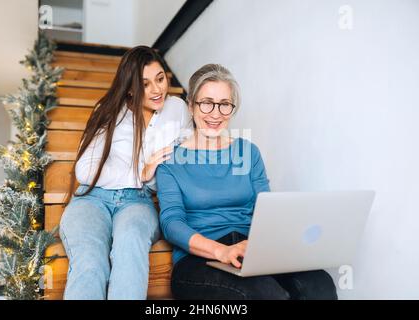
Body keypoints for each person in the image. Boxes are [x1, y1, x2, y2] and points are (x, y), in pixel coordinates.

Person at [156, 64, 338, 300]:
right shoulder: (170, 162)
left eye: (224, 104)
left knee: (319, 285)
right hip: (198, 260)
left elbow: (267, 210)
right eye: (206, 102)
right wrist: (221, 251)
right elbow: (171, 224)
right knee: (266, 294)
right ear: (191, 106)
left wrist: (260, 247)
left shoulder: (248, 152)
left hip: (250, 250)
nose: (215, 113)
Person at [59, 46, 192, 300]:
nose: (156, 89)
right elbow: (85, 170)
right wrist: (141, 171)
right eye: (145, 84)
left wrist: (153, 172)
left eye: (160, 79)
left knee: (130, 245)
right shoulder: (110, 112)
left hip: (138, 201)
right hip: (91, 199)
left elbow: (185, 154)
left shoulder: (177, 109)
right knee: (90, 261)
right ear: (131, 87)